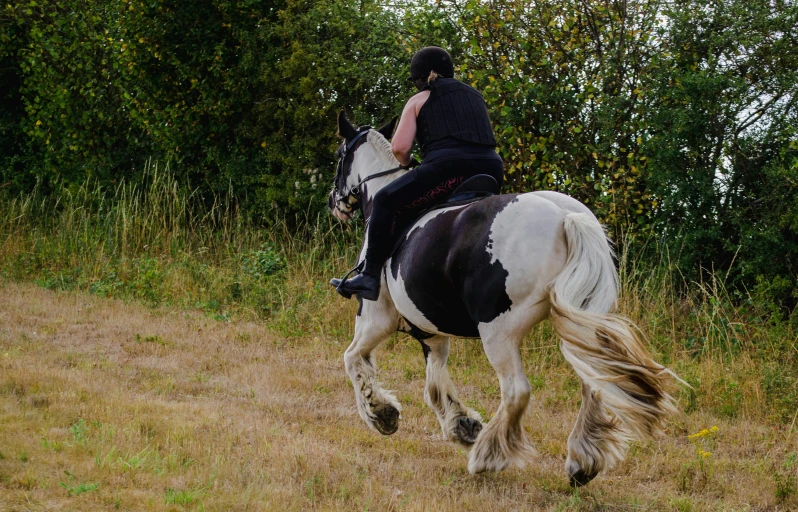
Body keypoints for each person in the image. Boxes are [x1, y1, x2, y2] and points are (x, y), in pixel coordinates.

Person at [332, 46, 504, 301]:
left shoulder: (418, 100)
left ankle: (369, 278)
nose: (417, 85)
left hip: (447, 170)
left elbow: (399, 149)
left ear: (424, 76)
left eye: (416, 81)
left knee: (384, 200)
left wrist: (412, 162)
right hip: (492, 168)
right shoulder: (475, 95)